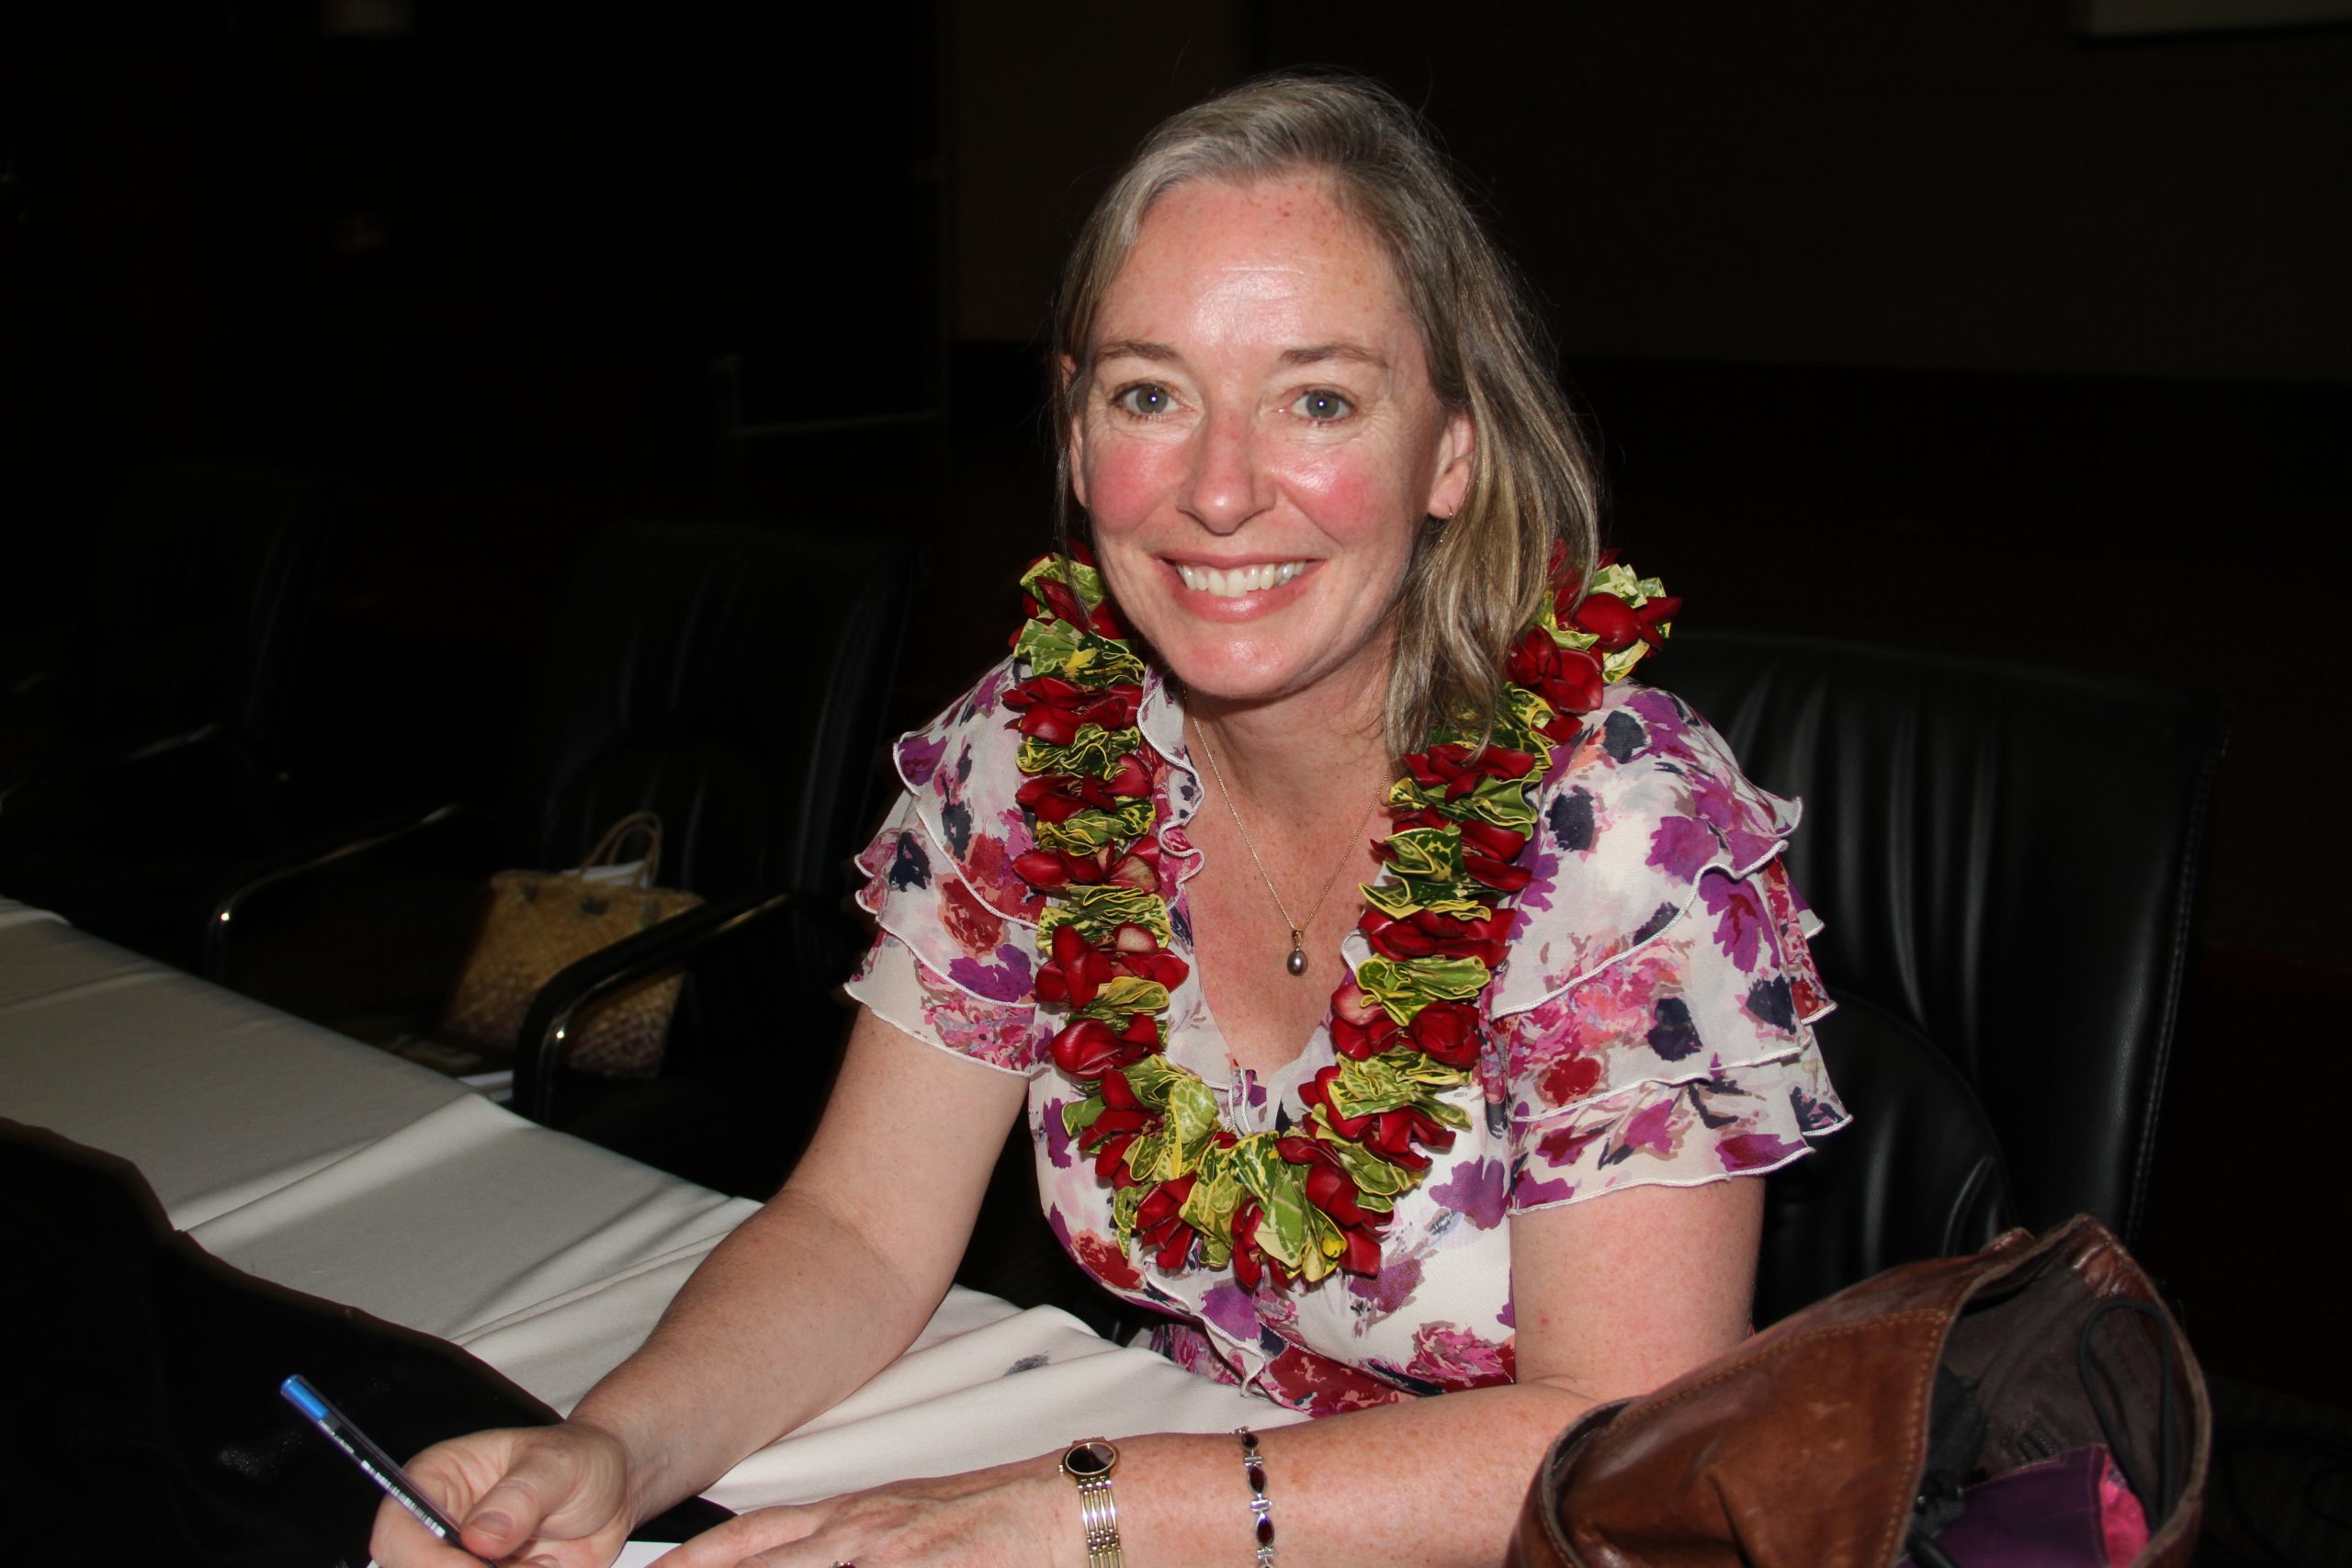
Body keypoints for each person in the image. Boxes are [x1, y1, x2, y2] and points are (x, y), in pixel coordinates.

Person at [375, 73, 1843, 1568]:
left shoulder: (1621, 833)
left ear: (1449, 454)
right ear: (1077, 437)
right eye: (1151, 394)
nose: (1217, 490)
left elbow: (1615, 1436)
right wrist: (613, 1447)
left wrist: (1068, 1508)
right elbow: (858, 1238)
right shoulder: (1030, 761)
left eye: (1318, 398)